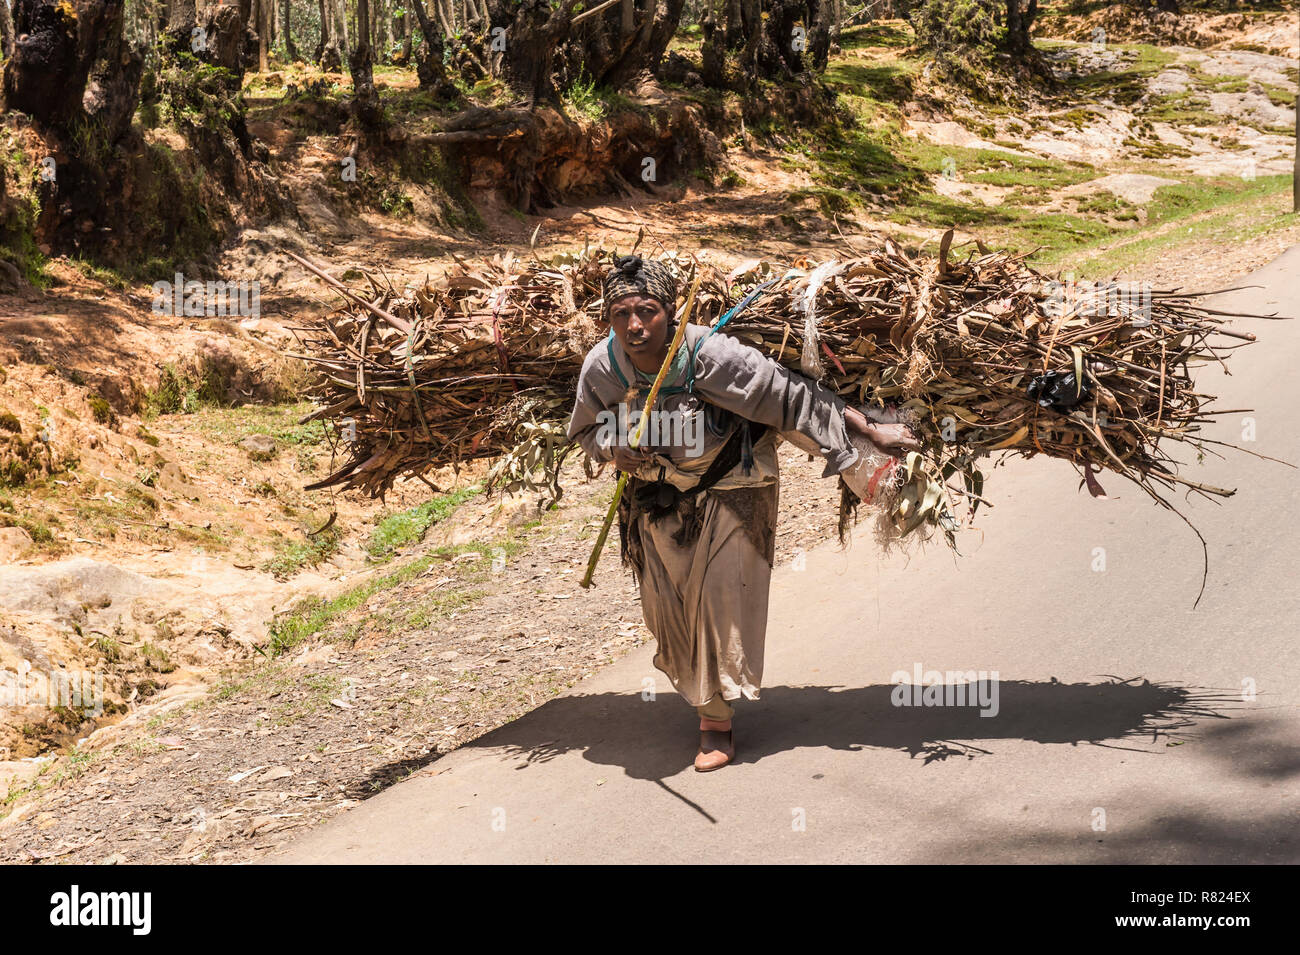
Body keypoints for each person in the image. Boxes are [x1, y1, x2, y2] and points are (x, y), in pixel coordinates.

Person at [567, 255, 917, 771]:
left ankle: (715, 722)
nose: (635, 325)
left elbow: (791, 396)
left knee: (720, 601)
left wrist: (866, 428)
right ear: (608, 318)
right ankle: (703, 691)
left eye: (647, 311)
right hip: (653, 502)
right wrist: (612, 445)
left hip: (733, 486)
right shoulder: (603, 367)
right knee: (667, 613)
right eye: (621, 313)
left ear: (671, 311)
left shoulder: (711, 355)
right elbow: (584, 432)